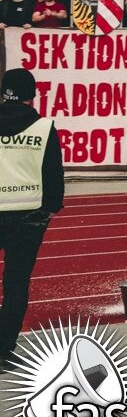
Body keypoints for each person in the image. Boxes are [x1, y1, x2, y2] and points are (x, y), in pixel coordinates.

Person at [0, 68, 64, 369]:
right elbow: (53, 173)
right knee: (16, 284)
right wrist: (52, 207)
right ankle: (2, 349)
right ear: (33, 95)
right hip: (28, 219)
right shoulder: (43, 127)